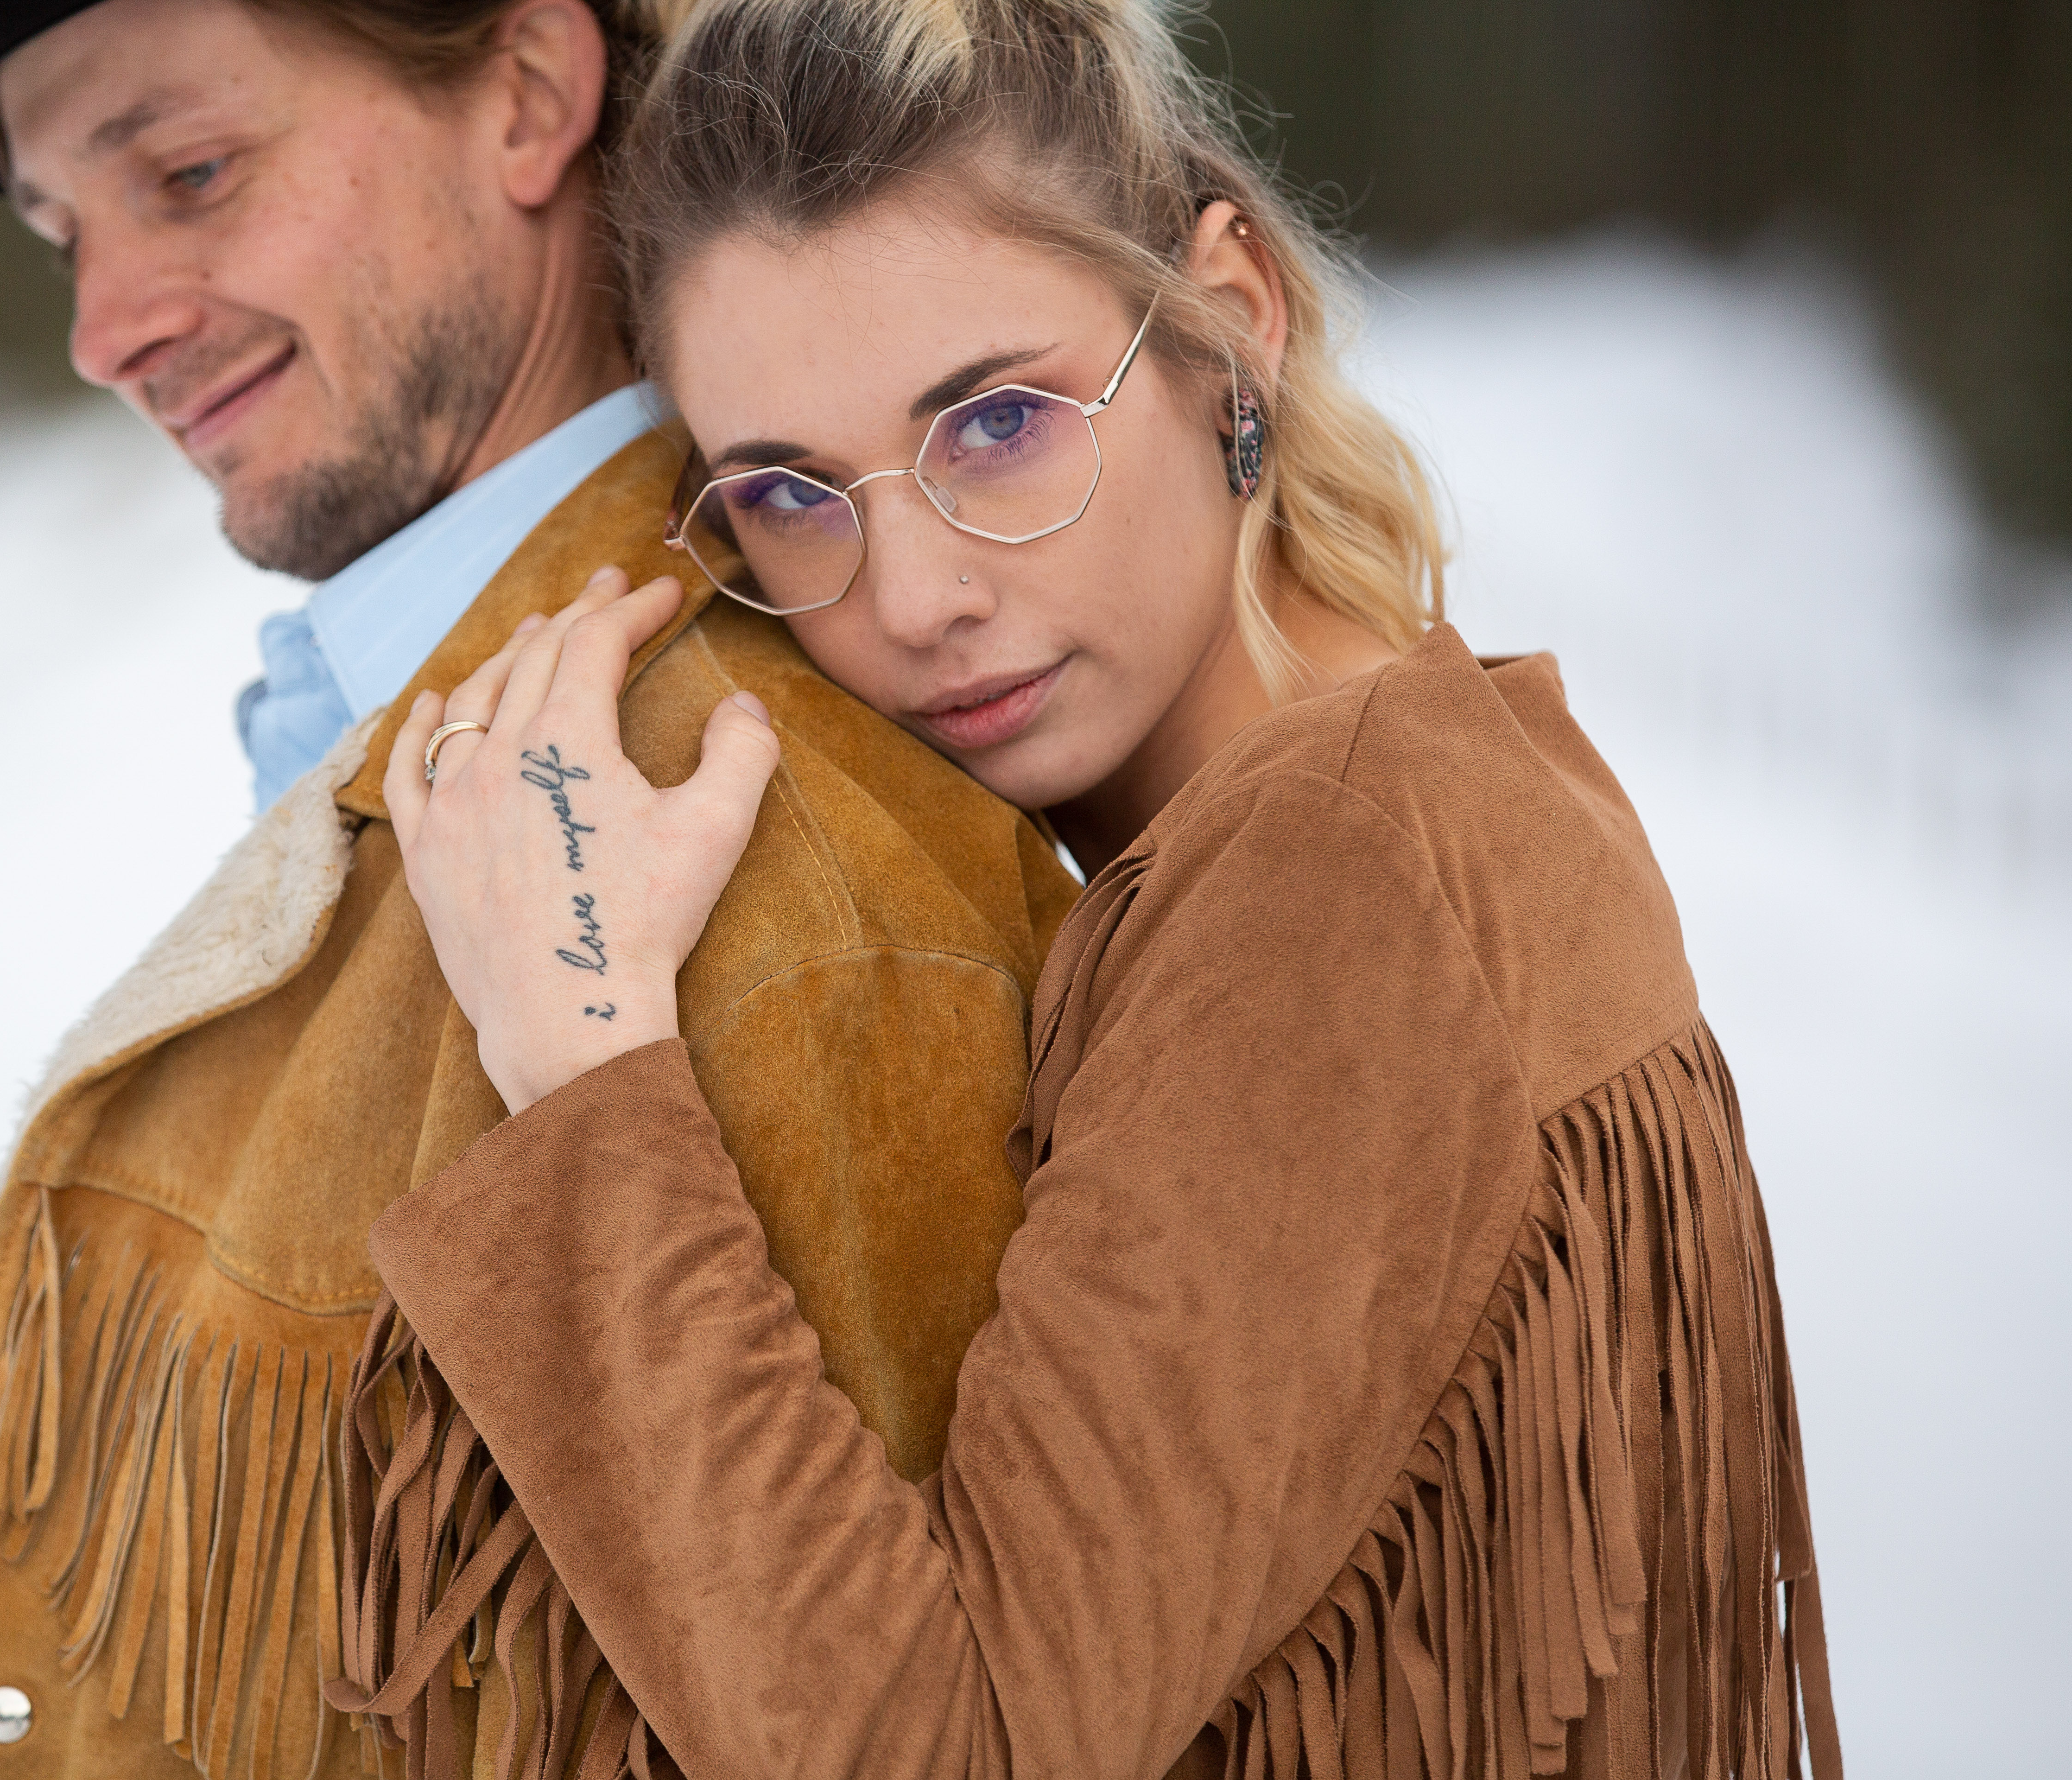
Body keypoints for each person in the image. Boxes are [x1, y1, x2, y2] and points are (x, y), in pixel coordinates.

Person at [367, 0, 1840, 1774]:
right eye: (786, 490)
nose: (912, 597)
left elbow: (950, 1742)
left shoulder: (1332, 874)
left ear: (1231, 319)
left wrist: (579, 1044)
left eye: (995, 423)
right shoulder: (1433, 775)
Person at [0, 0, 1080, 1774]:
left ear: (532, 92)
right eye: (62, 235)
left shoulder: (750, 835)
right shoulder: (435, 723)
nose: (105, 330)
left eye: (188, 172)